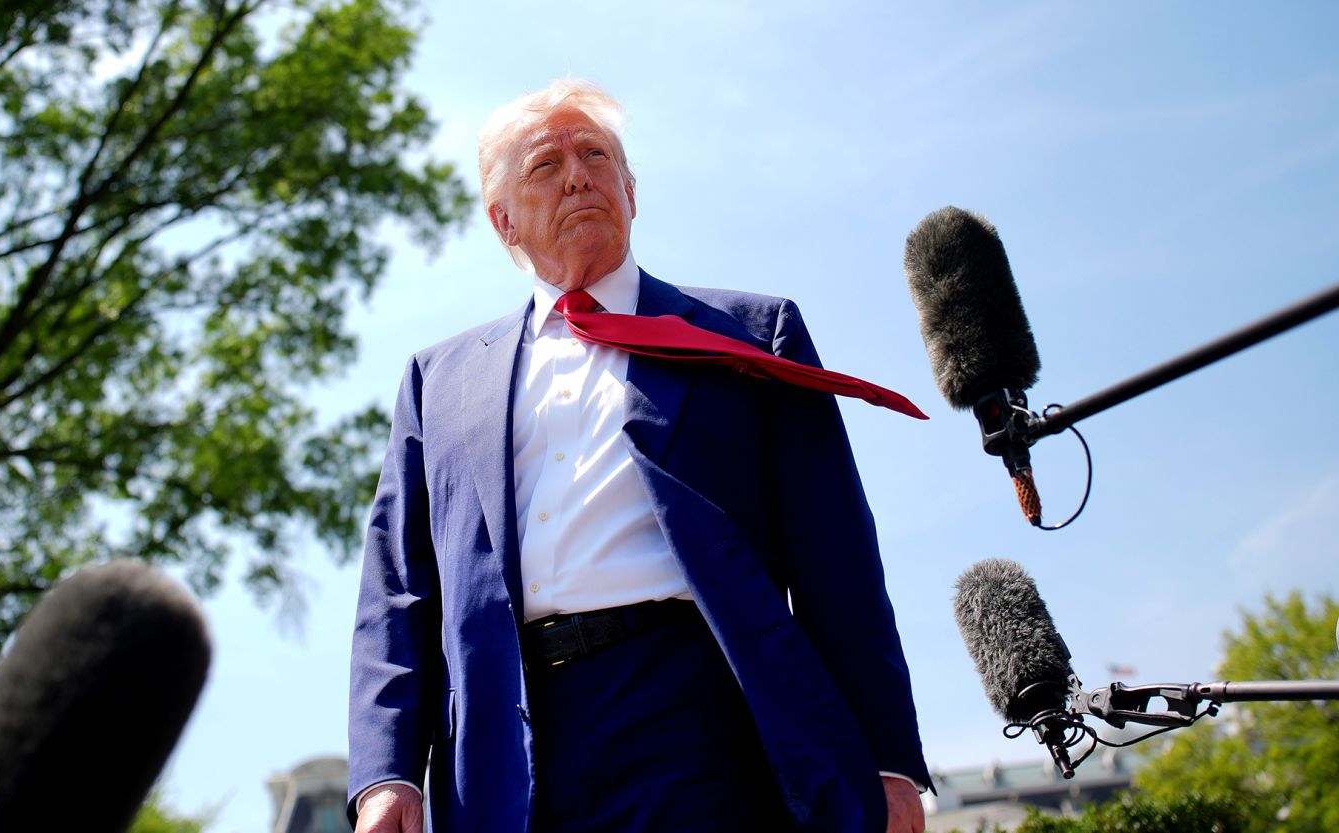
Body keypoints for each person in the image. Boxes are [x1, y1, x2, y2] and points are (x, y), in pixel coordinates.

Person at [346, 79, 931, 833]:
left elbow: (839, 563)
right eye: (544, 167)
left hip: (701, 719)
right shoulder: (439, 380)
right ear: (504, 223)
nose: (578, 176)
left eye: (595, 155)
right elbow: (398, 592)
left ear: (630, 189)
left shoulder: (750, 334)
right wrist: (386, 772)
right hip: (502, 744)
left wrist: (886, 756)